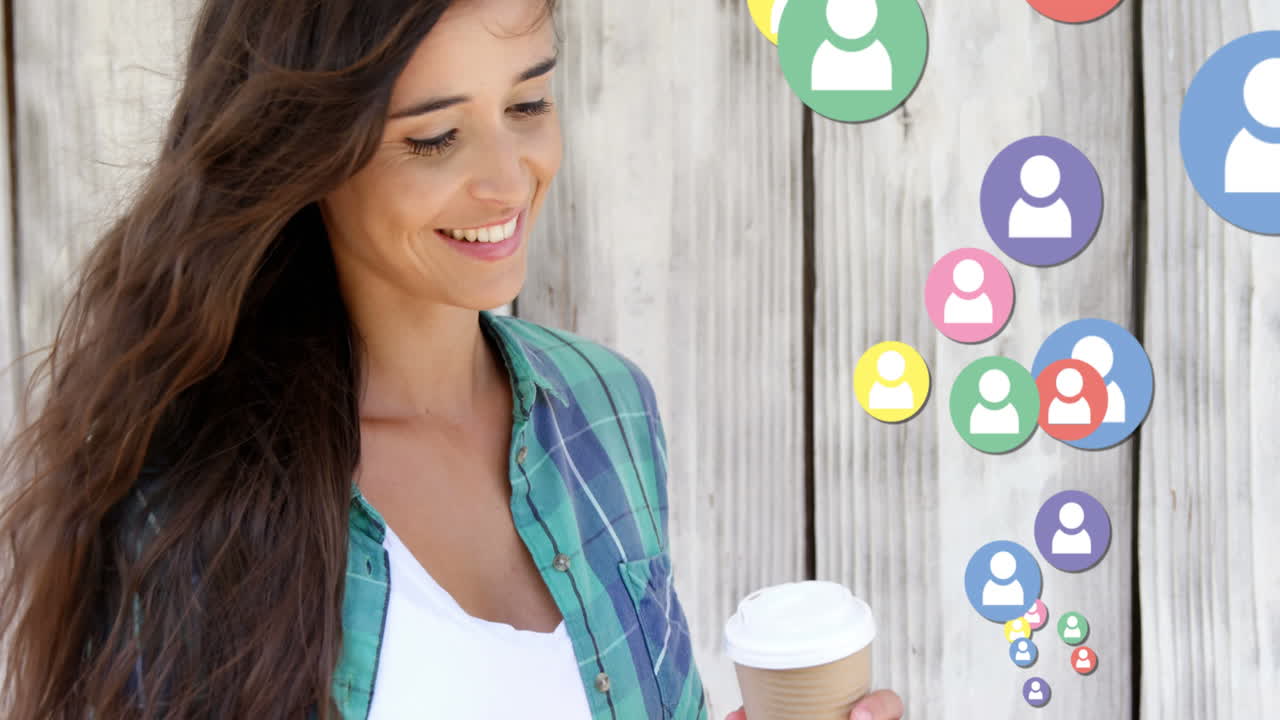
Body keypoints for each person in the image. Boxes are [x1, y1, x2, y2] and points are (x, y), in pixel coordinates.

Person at [0, 1, 905, 719]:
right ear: (309, 152)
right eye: (435, 136)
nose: (510, 181)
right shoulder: (195, 490)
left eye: (527, 105)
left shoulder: (605, 407)